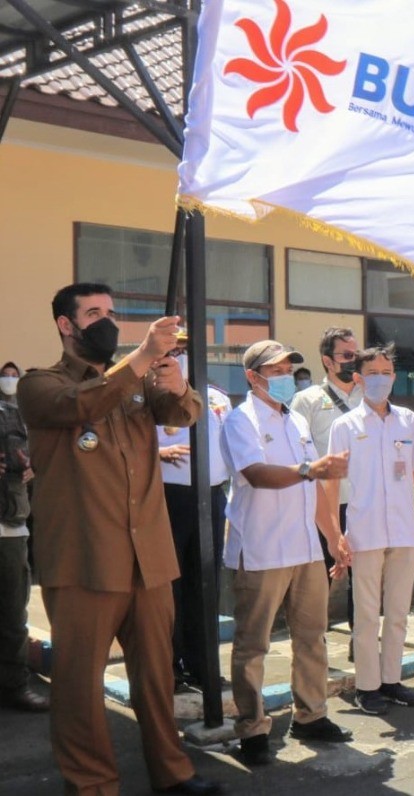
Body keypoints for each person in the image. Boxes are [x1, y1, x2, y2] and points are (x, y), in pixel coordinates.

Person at [18, 283, 221, 795]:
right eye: (93, 313)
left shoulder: (135, 383)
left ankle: (172, 774)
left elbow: (182, 415)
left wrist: (174, 381)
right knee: (79, 687)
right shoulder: (41, 385)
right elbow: (82, 404)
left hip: (148, 558)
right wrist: (142, 357)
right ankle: (92, 785)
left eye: (111, 312)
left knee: (156, 678)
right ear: (67, 325)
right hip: (85, 560)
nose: (106, 321)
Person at [223, 339, 353, 766]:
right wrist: (306, 470)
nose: (283, 377)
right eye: (274, 371)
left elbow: (316, 486)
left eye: (287, 370)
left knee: (312, 637)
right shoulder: (240, 420)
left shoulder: (296, 420)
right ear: (252, 376)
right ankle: (253, 729)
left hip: (303, 549)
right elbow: (256, 474)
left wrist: (332, 538)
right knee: (253, 645)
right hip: (261, 550)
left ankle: (311, 715)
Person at [323, 344, 414, 714]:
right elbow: (330, 484)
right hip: (365, 531)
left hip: (404, 530)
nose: (381, 378)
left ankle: (392, 681)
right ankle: (368, 686)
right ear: (357, 379)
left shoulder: (408, 420)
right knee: (367, 614)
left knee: (399, 611)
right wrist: (335, 533)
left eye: (387, 372)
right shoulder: (345, 426)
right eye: (372, 372)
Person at [157, 341, 233, 689]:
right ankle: (170, 666)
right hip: (168, 498)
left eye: (186, 349)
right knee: (169, 586)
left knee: (205, 584)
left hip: (211, 496)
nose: (180, 356)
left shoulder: (216, 397)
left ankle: (203, 665)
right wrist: (159, 453)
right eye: (173, 350)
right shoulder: (148, 392)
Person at [291, 328, 362, 636]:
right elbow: (296, 453)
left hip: (362, 502)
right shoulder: (305, 401)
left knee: (363, 582)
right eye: (346, 356)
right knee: (319, 579)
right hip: (323, 505)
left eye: (356, 355)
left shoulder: (369, 395)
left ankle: (361, 643)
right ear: (327, 361)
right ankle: (313, 645)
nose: (353, 361)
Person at [0, 390, 46, 712]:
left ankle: (14, 686)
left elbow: (34, 457)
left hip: (11, 528)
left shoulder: (13, 413)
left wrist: (32, 467)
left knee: (14, 616)